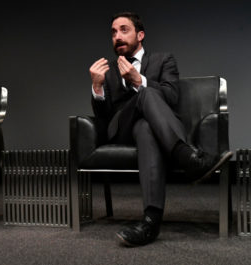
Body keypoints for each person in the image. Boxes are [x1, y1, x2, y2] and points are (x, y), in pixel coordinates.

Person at [89, 12, 232, 247]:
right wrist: (97, 86)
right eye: (113, 32)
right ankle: (187, 156)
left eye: (124, 30)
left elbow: (172, 96)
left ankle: (151, 222)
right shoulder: (109, 70)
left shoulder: (163, 60)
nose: (117, 36)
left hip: (149, 128)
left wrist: (138, 80)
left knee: (146, 126)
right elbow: (104, 120)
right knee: (145, 95)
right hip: (122, 129)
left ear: (140, 35)